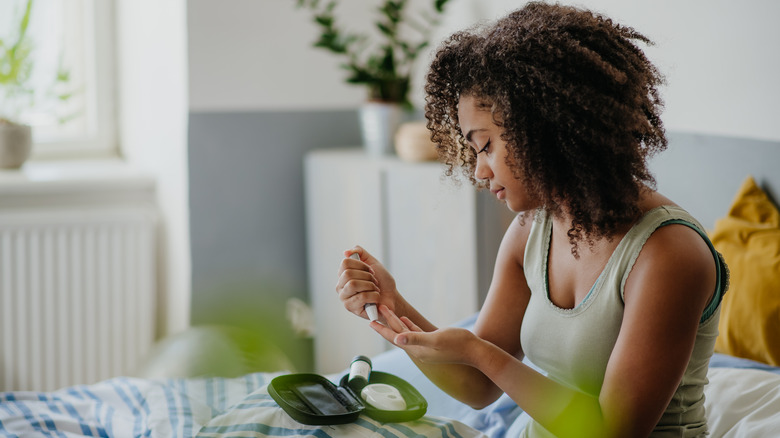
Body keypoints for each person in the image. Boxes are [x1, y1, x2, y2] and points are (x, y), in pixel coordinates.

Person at [335, 2, 728, 437]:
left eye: (484, 146)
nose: (479, 172)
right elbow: (477, 385)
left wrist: (481, 353)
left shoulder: (669, 253)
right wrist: (393, 308)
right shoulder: (532, 231)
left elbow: (613, 431)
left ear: (540, 129)